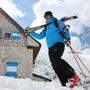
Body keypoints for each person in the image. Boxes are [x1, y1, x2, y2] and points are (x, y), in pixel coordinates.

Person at [28, 11, 80, 88]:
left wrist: (68, 40)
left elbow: (65, 30)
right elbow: (40, 36)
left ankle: (73, 76)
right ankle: (65, 83)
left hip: (58, 44)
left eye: (47, 15)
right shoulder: (46, 27)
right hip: (50, 48)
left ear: (51, 15)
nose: (46, 17)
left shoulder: (57, 22)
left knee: (56, 59)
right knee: (54, 64)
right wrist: (30, 32)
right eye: (45, 16)